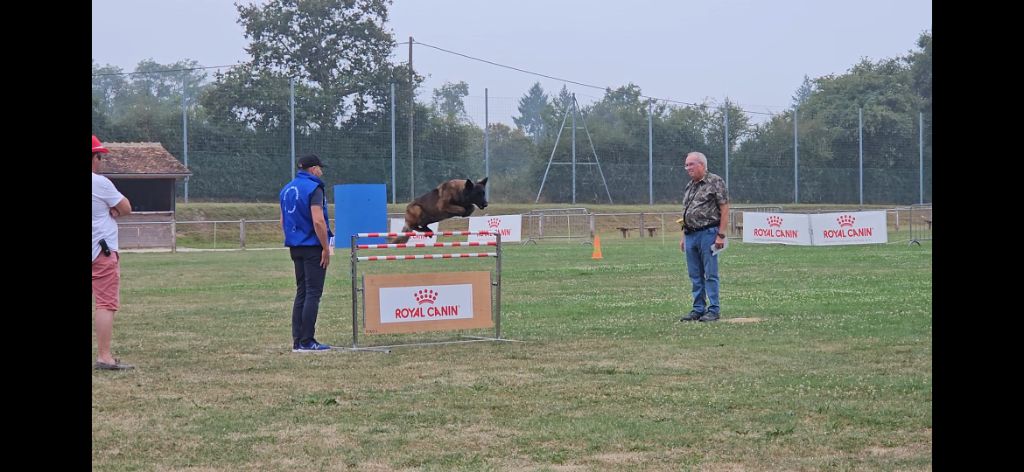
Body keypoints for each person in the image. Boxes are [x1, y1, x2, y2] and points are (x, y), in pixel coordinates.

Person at [280, 154, 334, 352]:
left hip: (295, 246)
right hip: (313, 246)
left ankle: (297, 341)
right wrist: (325, 247)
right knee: (313, 293)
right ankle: (307, 341)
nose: (321, 171)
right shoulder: (314, 187)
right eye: (320, 168)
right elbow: (318, 220)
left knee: (301, 292)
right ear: (313, 169)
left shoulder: (286, 189)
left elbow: (283, 221)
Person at [92, 135, 135, 370]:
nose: (100, 161)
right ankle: (104, 356)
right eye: (99, 156)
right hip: (100, 250)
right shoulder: (100, 183)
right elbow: (125, 207)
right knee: (105, 304)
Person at [678, 151, 730, 322]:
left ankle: (713, 309)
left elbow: (724, 209)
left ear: (701, 164)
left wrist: (721, 235)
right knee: (695, 274)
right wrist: (683, 236)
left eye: (690, 164)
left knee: (710, 273)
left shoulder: (715, 181)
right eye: (686, 165)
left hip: (708, 233)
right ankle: (698, 309)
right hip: (690, 235)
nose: (687, 168)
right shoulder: (690, 185)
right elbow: (686, 212)